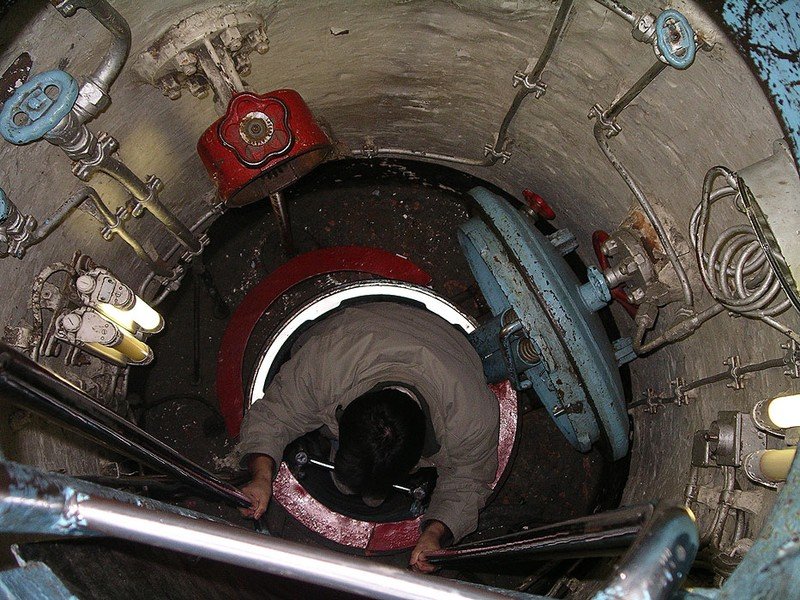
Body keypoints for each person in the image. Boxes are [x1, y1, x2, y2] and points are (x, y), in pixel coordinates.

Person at [237, 301, 500, 572]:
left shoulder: (471, 418)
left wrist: (436, 533)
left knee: (362, 489)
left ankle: (367, 487)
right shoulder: (326, 365)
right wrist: (261, 477)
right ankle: (360, 484)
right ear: (344, 416)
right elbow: (274, 416)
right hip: (358, 332)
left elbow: (469, 482)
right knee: (352, 485)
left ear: (414, 463)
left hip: (445, 348)